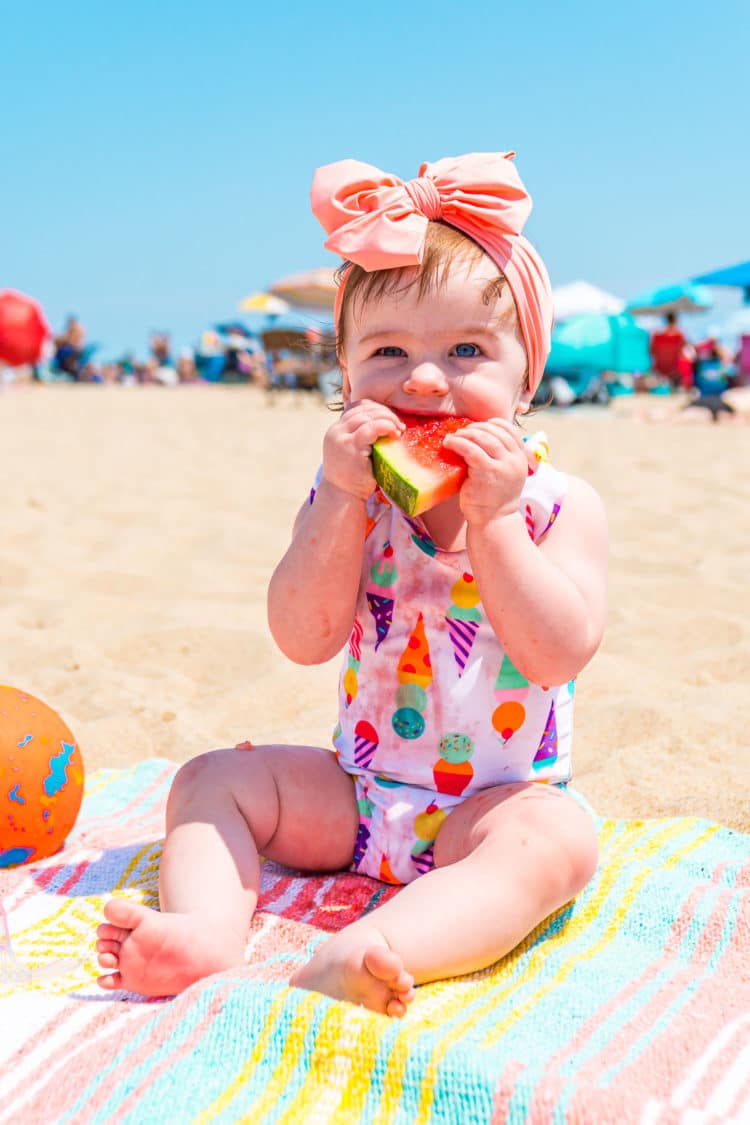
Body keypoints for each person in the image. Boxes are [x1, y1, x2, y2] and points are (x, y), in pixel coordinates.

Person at [95, 152, 608, 1016]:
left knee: (561, 842)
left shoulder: (558, 505)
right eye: (388, 350)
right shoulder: (352, 497)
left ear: (527, 377)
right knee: (210, 776)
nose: (423, 377)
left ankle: (374, 948)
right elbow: (302, 635)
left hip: (493, 804)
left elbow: (558, 654)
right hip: (358, 793)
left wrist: (496, 525)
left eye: (467, 349)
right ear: (343, 375)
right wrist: (337, 502)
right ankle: (204, 930)